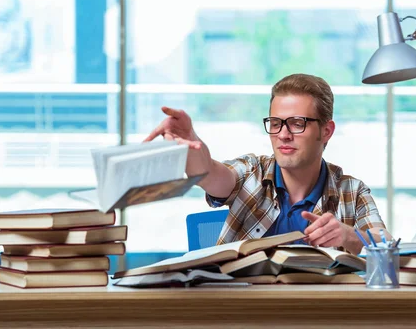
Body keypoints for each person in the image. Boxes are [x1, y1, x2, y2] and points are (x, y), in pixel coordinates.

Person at [145, 73, 391, 254]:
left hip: (317, 316)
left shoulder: (351, 192)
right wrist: (192, 141)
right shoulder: (251, 172)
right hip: (243, 315)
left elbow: (387, 244)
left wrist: (350, 236)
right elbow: (209, 172)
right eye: (275, 123)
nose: (283, 134)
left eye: (297, 123)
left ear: (326, 131)